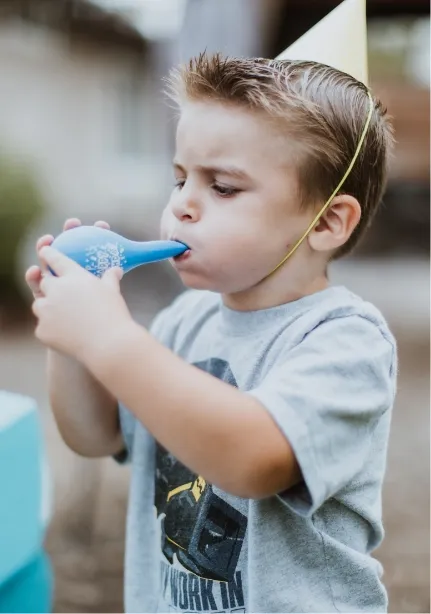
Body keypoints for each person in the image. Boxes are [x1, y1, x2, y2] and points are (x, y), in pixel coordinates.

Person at [25, 2, 397, 612]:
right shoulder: (183, 323)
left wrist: (111, 340)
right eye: (180, 179)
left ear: (328, 221)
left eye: (222, 187)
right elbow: (91, 436)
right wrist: (73, 341)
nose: (183, 207)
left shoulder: (345, 342)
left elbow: (252, 460)